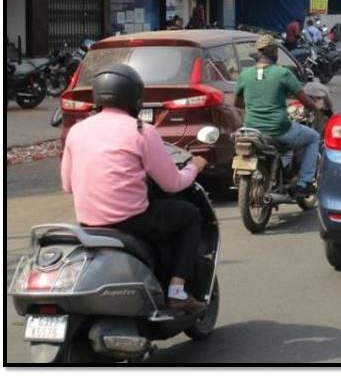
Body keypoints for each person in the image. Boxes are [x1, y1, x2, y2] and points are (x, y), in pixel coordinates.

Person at [61, 64, 208, 312]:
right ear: (134, 97)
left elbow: (67, 185)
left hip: (88, 223)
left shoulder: (77, 130)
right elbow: (172, 184)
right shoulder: (141, 131)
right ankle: (176, 291)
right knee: (190, 215)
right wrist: (194, 167)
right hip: (131, 220)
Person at [234, 35, 321, 197]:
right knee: (313, 138)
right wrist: (315, 108)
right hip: (279, 129)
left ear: (257, 54)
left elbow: (237, 104)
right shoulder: (283, 73)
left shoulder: (245, 75)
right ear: (274, 53)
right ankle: (304, 181)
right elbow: (305, 100)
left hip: (251, 129)